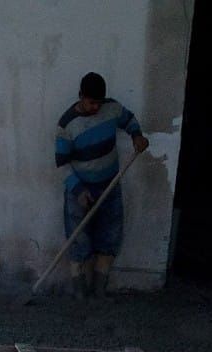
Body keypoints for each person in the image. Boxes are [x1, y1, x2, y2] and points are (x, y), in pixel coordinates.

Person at [55, 72, 149, 298]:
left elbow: (129, 120)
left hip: (110, 185)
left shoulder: (112, 108)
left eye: (99, 102)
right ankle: (79, 292)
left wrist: (137, 135)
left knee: (110, 235)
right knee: (78, 239)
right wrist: (78, 190)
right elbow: (62, 164)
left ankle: (99, 291)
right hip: (80, 189)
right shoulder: (67, 125)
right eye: (91, 102)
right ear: (80, 96)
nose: (96, 107)